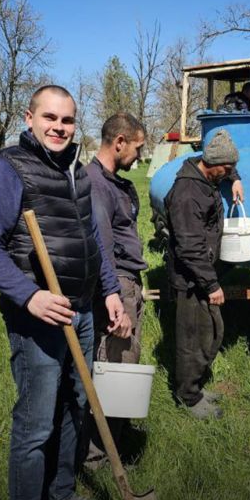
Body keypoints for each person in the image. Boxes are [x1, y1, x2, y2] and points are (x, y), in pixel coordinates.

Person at [0, 85, 127, 500]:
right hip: (37, 318)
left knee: (77, 405)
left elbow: (92, 235)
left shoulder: (73, 169)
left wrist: (111, 290)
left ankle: (60, 491)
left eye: (68, 120)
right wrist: (29, 296)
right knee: (36, 422)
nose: (59, 127)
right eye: (50, 118)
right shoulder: (8, 168)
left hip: (81, 309)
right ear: (29, 117)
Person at [82, 112, 148, 465]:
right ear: (118, 142)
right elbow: (102, 248)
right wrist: (117, 302)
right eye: (137, 148)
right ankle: (97, 457)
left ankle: (112, 448)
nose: (139, 156)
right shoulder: (96, 185)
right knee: (114, 370)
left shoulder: (113, 181)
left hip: (127, 283)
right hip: (117, 286)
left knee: (124, 370)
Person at [165, 129, 240, 419]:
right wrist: (211, 284)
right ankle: (187, 397)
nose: (229, 172)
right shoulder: (188, 194)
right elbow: (189, 246)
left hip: (200, 274)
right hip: (191, 278)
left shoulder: (204, 172)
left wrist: (236, 179)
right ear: (213, 163)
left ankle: (194, 387)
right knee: (192, 338)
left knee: (205, 332)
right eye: (228, 169)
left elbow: (226, 160)